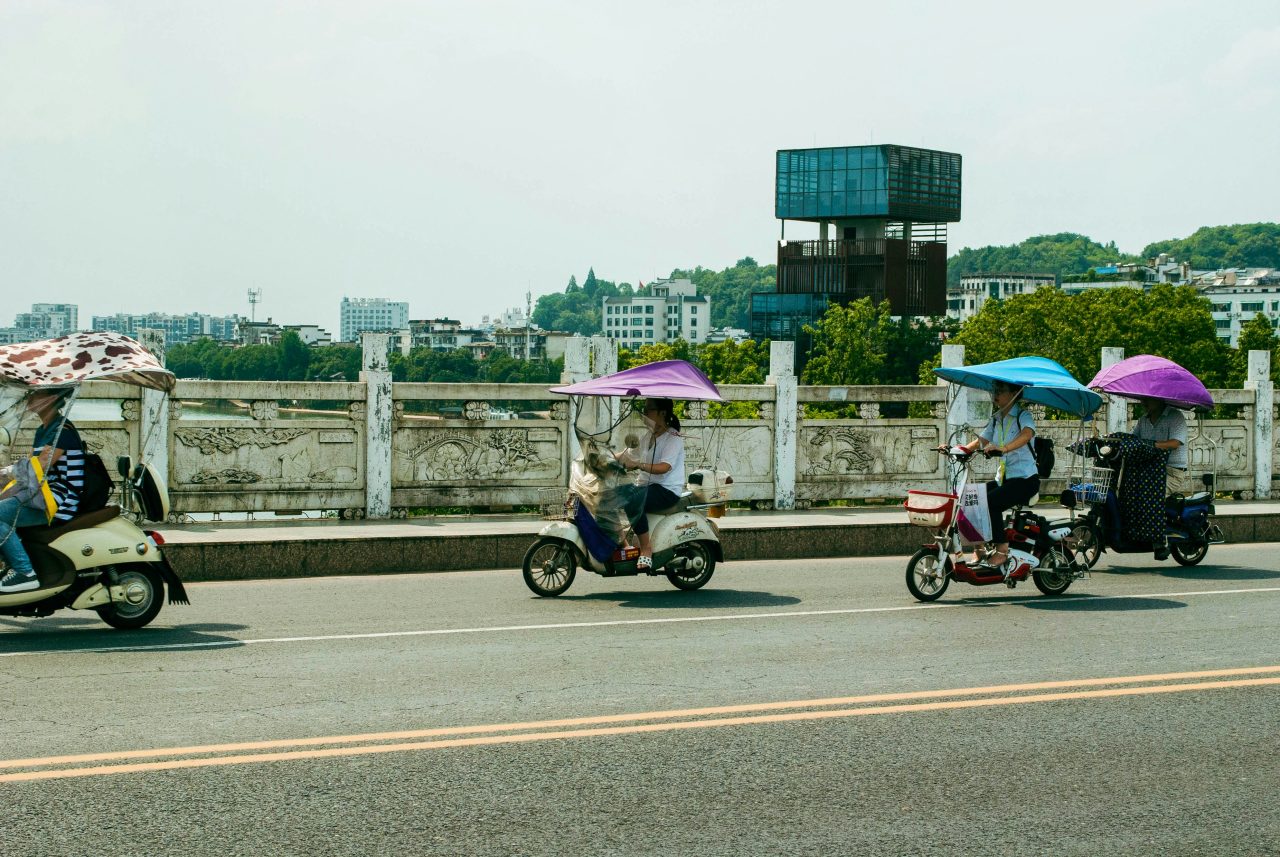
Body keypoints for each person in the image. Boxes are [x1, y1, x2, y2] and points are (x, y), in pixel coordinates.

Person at [0, 388, 86, 593]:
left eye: (37, 394)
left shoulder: (62, 431)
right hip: (42, 493)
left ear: (52, 398)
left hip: (59, 497)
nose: (30, 398)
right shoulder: (44, 430)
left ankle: (25, 573)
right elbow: (30, 470)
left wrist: (6, 473)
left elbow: (40, 465)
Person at [959, 381, 1039, 575]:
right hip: (1005, 479)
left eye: (1001, 391)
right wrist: (957, 450)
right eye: (995, 391)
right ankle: (979, 547)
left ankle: (1002, 549)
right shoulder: (996, 419)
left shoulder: (1023, 416)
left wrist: (1003, 448)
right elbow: (981, 441)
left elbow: (1027, 435)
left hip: (1025, 480)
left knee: (992, 503)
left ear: (1014, 393)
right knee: (971, 498)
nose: (996, 394)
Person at [616, 397, 686, 570]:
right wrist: (605, 456)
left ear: (662, 412)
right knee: (612, 495)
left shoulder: (673, 438)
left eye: (648, 410)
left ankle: (646, 549)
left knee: (634, 500)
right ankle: (623, 545)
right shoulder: (648, 436)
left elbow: (664, 467)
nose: (644, 414)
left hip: (666, 490)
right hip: (647, 487)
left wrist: (639, 464)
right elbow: (629, 455)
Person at [1134, 396, 1188, 495]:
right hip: (1148, 470)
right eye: (1142, 399)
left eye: (1148, 398)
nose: (1144, 402)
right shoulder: (1143, 420)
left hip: (1171, 472)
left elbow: (1175, 443)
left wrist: (1151, 444)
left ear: (1159, 399)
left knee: (1150, 495)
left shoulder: (1175, 416)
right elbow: (1133, 440)